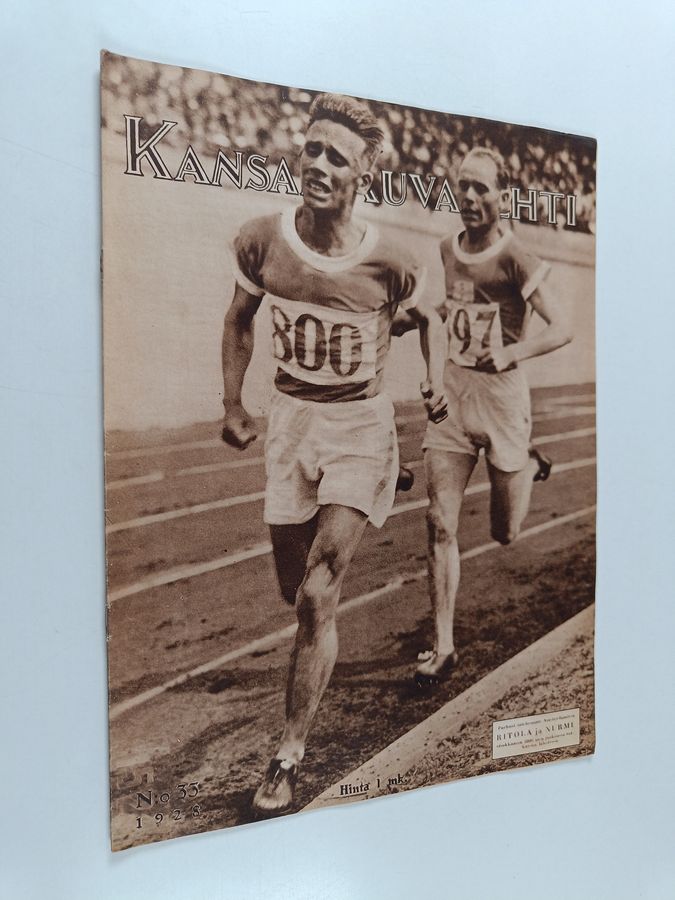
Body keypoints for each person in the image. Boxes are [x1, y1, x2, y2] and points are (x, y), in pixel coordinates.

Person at [221, 93, 448, 814]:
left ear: (363, 176)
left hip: (358, 426)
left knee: (320, 594)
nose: (318, 165)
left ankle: (287, 755)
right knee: (293, 589)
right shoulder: (262, 240)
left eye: (337, 158)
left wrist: (434, 380)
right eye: (312, 149)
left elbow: (430, 318)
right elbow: (238, 320)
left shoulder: (391, 259)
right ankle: (374, 486)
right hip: (291, 425)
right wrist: (233, 404)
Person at [396, 146, 573, 687]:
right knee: (438, 522)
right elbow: (457, 306)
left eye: (481, 187)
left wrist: (513, 352)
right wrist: (412, 319)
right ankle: (444, 645)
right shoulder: (447, 248)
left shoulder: (517, 257)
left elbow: (562, 328)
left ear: (503, 195)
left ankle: (527, 466)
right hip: (454, 396)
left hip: (501, 400)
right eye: (463, 185)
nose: (470, 197)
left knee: (505, 533)